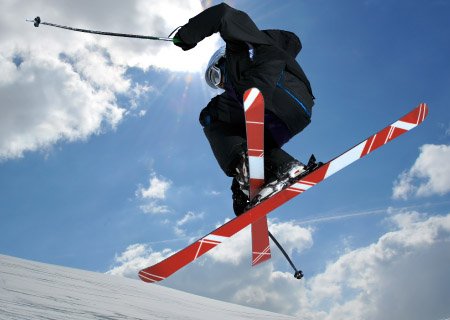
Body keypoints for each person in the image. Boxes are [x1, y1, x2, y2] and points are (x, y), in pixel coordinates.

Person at [173, 3, 315, 215]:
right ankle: (284, 169)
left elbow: (223, 13)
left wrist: (186, 35)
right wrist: (244, 201)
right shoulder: (256, 59)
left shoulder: (240, 49)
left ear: (221, 61)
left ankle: (248, 170)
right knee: (246, 144)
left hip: (274, 92)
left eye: (216, 77)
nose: (220, 85)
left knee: (210, 116)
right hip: (295, 115)